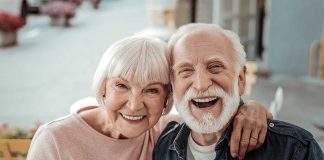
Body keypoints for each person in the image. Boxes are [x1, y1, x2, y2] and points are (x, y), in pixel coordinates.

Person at [27, 36, 270, 160]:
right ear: (103, 88)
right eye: (121, 86)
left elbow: (214, 117)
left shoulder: (166, 131)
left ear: (167, 98)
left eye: (151, 90)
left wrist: (251, 108)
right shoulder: (55, 140)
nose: (134, 104)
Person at [153, 23, 324, 160]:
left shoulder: (293, 149)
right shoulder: (162, 145)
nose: (201, 84)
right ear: (173, 84)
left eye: (215, 67)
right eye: (186, 71)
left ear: (241, 79)